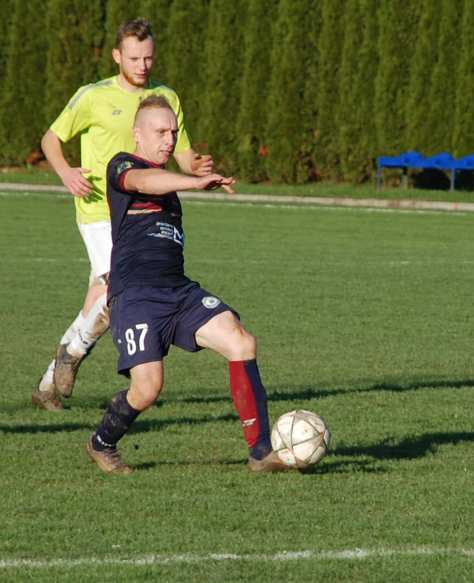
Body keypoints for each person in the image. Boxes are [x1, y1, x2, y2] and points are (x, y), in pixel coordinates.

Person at [86, 95, 290, 475]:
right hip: (136, 296)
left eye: (174, 132)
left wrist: (191, 178)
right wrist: (195, 181)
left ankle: (261, 452)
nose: (169, 140)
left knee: (241, 342)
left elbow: (164, 181)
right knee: (147, 390)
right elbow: (145, 180)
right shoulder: (123, 166)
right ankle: (101, 442)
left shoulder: (171, 188)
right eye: (161, 132)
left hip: (179, 293)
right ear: (137, 133)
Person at [33, 18, 215, 411]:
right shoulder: (93, 96)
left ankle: (50, 380)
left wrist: (196, 166)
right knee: (115, 284)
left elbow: (180, 151)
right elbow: (51, 138)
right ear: (117, 55)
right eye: (134, 57)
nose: (142, 65)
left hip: (143, 213)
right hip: (99, 206)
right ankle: (74, 354)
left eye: (148, 57)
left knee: (99, 297)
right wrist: (65, 172)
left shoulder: (165, 97)